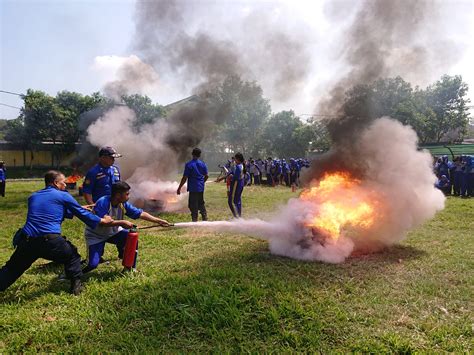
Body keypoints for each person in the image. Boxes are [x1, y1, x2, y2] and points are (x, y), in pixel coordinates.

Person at [0, 170, 113, 295]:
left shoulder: (33, 196)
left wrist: (76, 207)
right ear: (55, 183)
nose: (65, 185)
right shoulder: (63, 195)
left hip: (27, 240)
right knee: (72, 256)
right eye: (63, 182)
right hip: (50, 241)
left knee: (11, 269)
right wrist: (102, 220)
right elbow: (82, 215)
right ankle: (76, 286)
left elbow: (54, 211)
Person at [83, 181, 171, 273]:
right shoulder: (103, 202)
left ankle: (129, 268)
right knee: (91, 265)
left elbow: (140, 213)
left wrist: (158, 220)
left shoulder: (123, 204)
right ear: (118, 195)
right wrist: (122, 222)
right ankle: (72, 272)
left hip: (113, 232)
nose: (129, 196)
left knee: (131, 237)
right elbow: (102, 222)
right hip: (96, 235)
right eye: (127, 194)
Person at [177, 147, 208, 222]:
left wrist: (179, 188)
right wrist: (202, 182)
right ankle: (204, 216)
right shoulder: (203, 164)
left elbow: (184, 178)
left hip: (193, 188)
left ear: (192, 154)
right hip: (200, 187)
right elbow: (207, 176)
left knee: (192, 205)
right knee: (200, 202)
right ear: (199, 155)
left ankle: (195, 220)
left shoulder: (189, 165)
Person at [228, 152, 245, 218]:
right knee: (238, 201)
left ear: (238, 159)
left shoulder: (238, 167)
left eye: (235, 159)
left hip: (236, 185)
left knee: (231, 201)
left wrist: (231, 177)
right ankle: (239, 216)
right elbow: (233, 172)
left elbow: (235, 177)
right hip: (240, 184)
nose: (234, 160)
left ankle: (236, 217)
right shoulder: (240, 165)